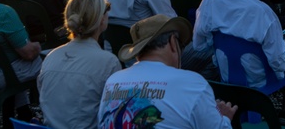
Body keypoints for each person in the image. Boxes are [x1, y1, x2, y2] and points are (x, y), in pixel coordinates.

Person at [98, 15, 236, 129]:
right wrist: (224, 118)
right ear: (172, 42)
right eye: (180, 45)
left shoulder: (113, 81)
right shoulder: (193, 83)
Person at [39, 0, 121, 129]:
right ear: (101, 19)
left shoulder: (51, 57)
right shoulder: (108, 62)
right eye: (106, 8)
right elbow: (114, 112)